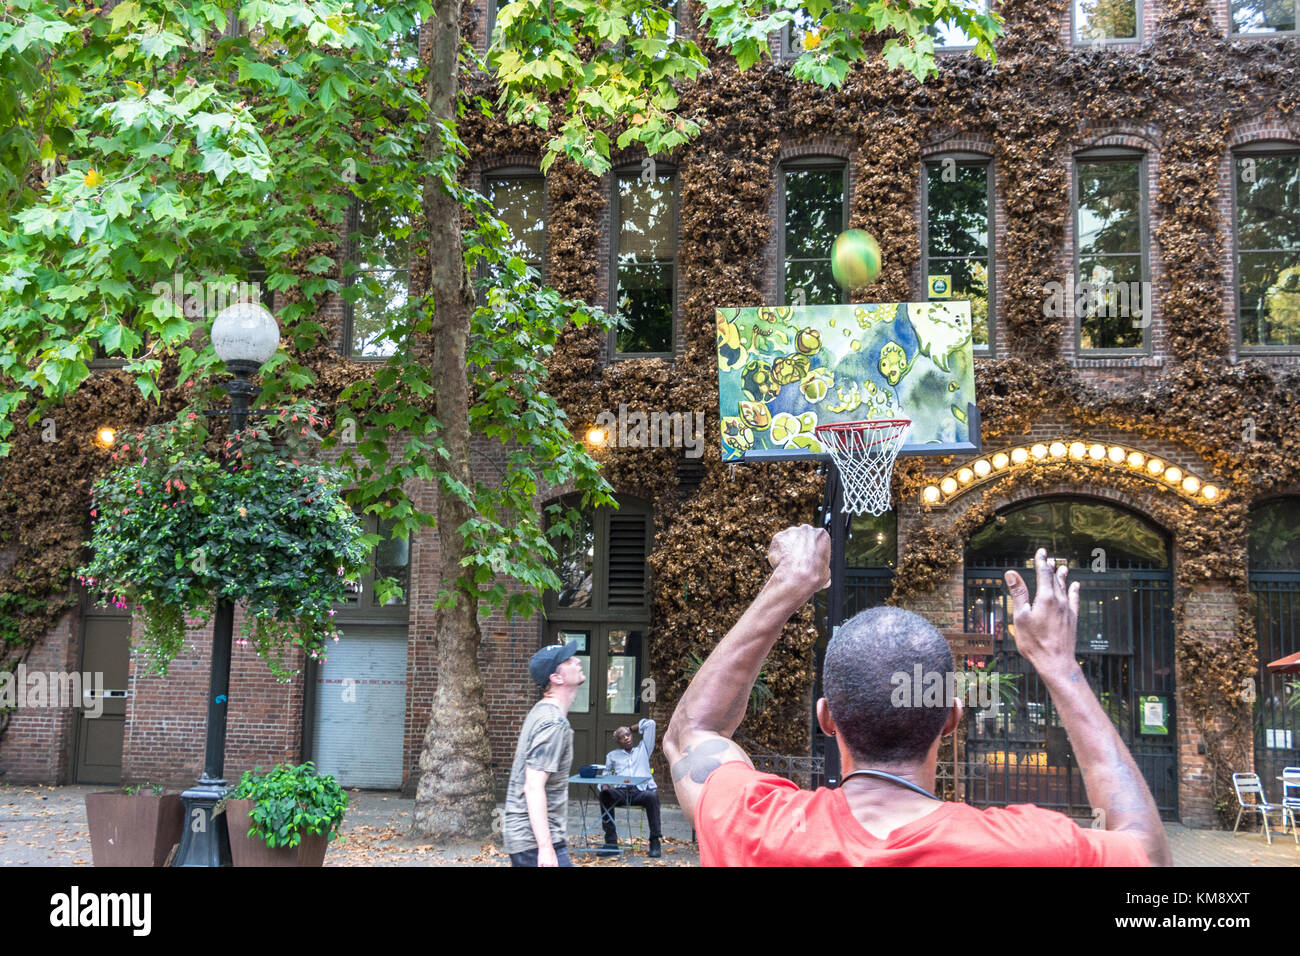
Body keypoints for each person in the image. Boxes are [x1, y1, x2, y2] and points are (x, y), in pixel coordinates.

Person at [663, 524, 1172, 867]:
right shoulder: (1028, 848)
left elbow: (694, 732)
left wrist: (790, 583)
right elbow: (1145, 850)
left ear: (827, 718)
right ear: (951, 718)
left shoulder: (755, 827)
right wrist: (1060, 667)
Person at [502, 640, 585, 867]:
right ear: (556, 678)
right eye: (568, 660)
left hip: (527, 839)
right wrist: (546, 849)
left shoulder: (541, 713)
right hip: (532, 842)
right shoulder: (552, 723)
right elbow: (533, 786)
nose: (577, 661)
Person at [599, 718, 662, 857]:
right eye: (622, 737)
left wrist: (629, 727)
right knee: (604, 795)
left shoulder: (644, 749)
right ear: (618, 742)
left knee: (652, 797)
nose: (626, 738)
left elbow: (650, 724)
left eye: (628, 735)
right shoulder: (612, 755)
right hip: (621, 792)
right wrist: (604, 785)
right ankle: (611, 842)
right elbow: (606, 774)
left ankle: (655, 842)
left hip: (640, 791)